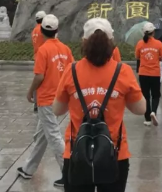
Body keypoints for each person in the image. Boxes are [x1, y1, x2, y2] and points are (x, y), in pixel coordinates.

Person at [53, 18, 146, 192]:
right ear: (111, 42)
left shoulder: (71, 70)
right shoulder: (123, 71)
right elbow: (141, 109)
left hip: (77, 152)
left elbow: (58, 109)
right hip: (115, 152)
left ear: (84, 41)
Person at [18, 14, 73, 188]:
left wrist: (30, 91)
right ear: (57, 30)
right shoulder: (65, 49)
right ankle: (28, 169)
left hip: (47, 99)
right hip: (61, 98)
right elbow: (72, 71)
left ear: (41, 31)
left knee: (54, 136)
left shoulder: (43, 50)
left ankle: (69, 173)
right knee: (42, 135)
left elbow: (39, 76)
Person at [135, 22, 162, 126]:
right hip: (155, 74)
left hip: (143, 74)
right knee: (156, 95)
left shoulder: (140, 43)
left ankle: (147, 119)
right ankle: (153, 111)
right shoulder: (158, 43)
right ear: (153, 32)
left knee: (146, 96)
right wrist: (157, 57)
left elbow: (137, 57)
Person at [30, 10, 47, 113]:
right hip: (44, 57)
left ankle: (36, 103)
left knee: (38, 79)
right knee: (43, 80)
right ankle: (41, 102)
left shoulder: (34, 30)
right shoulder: (43, 29)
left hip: (36, 57)